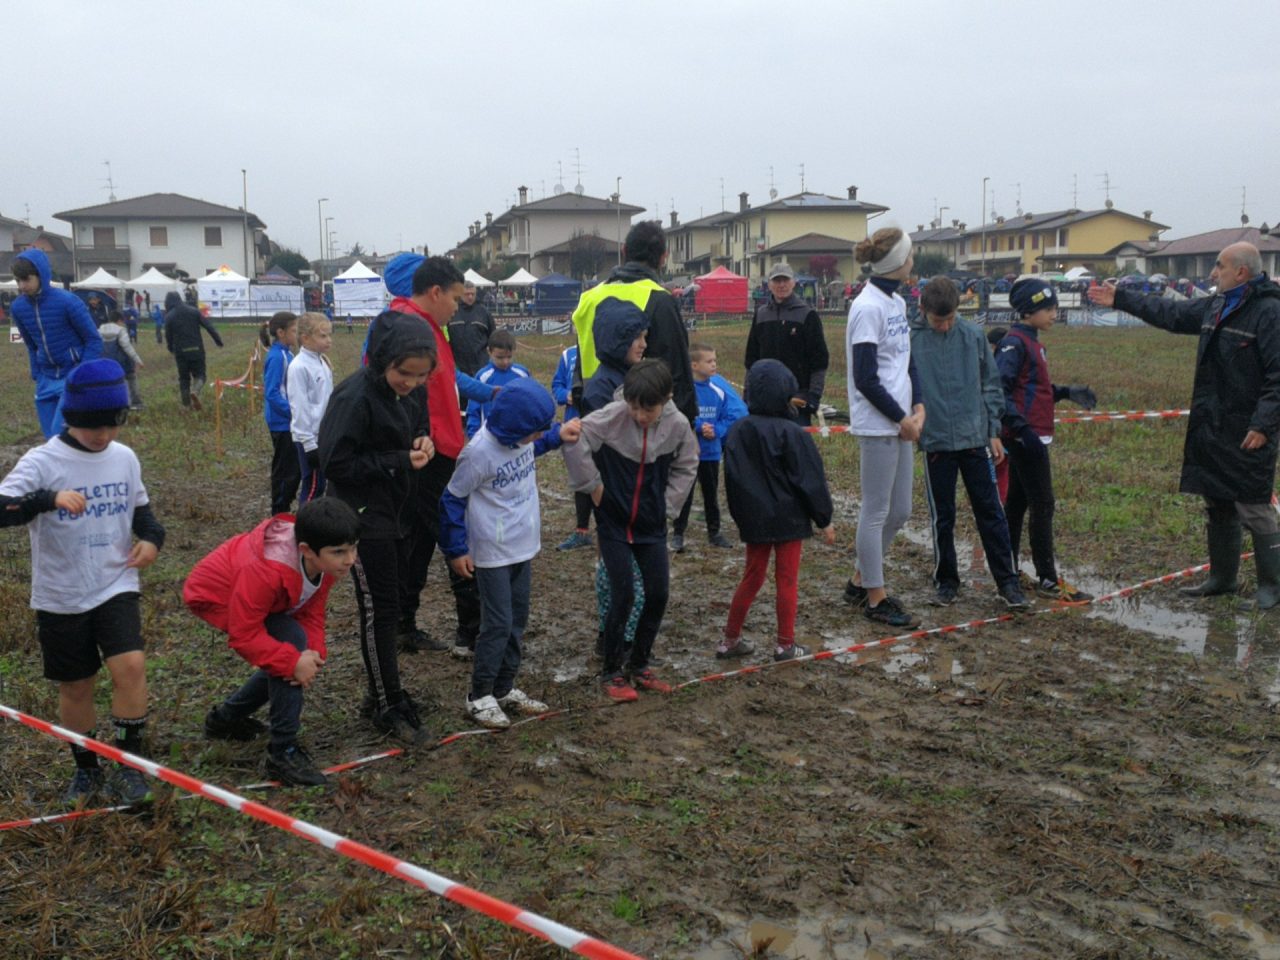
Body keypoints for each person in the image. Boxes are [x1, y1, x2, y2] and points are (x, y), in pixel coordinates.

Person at [0, 359, 164, 806]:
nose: (103, 435)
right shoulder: (43, 461)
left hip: (115, 584)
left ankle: (130, 765)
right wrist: (47, 499)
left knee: (129, 667)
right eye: (93, 425)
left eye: (113, 424)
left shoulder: (124, 458)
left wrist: (150, 542)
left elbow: (146, 518)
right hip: (61, 594)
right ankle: (87, 769)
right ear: (71, 416)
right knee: (76, 685)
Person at [1089, 242, 1280, 607]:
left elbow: (1278, 376)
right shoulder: (1216, 305)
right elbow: (1172, 314)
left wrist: (1264, 425)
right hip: (1213, 425)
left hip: (1249, 429)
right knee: (1218, 501)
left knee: (1254, 507)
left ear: (1241, 272)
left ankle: (1272, 587)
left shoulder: (1270, 313)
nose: (1212, 273)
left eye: (1219, 266)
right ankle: (1222, 578)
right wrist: (1122, 299)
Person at [365, 254, 491, 658]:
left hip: (435, 446)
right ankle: (472, 632)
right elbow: (391, 391)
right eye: (455, 298)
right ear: (434, 292)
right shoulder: (407, 327)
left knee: (417, 539)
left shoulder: (424, 325)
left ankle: (405, 623)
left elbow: (447, 380)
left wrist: (488, 394)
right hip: (428, 452)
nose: (459, 306)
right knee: (454, 533)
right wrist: (417, 442)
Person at [319, 313, 436, 744]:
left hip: (398, 509)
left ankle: (383, 694)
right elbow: (335, 463)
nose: (412, 383)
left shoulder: (412, 393)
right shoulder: (354, 398)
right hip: (362, 517)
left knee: (389, 605)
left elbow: (416, 427)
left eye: (421, 376)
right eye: (404, 374)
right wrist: (398, 460)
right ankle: (386, 703)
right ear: (383, 360)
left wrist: (423, 440)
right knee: (379, 610)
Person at [185, 498, 359, 785]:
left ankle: (225, 720)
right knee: (289, 646)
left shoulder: (325, 563)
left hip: (262, 596)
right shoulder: (263, 571)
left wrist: (313, 651)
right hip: (216, 595)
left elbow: (310, 609)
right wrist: (293, 661)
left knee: (295, 649)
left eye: (353, 547)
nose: (350, 559)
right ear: (306, 550)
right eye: (340, 551)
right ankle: (282, 752)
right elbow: (244, 635)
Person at [440, 378, 580, 728]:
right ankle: (479, 694)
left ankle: (503, 688)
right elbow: (451, 500)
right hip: (492, 552)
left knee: (517, 620)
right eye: (535, 431)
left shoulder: (519, 438)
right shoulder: (479, 453)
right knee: (498, 623)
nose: (536, 436)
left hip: (522, 544)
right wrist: (456, 549)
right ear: (514, 427)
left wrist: (556, 436)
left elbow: (532, 449)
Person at [563, 359, 698, 701]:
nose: (640, 416)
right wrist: (592, 486)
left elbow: (687, 464)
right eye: (634, 407)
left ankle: (639, 664)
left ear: (666, 398)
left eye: (648, 409)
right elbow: (575, 439)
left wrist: (667, 506)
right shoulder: (611, 415)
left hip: (652, 526)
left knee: (658, 594)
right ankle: (611, 671)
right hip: (613, 523)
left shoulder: (679, 425)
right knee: (623, 594)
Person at [910, 279, 1030, 610]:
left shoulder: (974, 336)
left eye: (950, 319)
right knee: (943, 516)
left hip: (975, 439)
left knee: (991, 511)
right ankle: (947, 580)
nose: (945, 326)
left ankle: (1008, 582)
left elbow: (991, 385)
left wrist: (992, 429)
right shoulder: (911, 338)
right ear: (923, 311)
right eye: (938, 321)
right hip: (935, 441)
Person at [718, 359, 835, 661]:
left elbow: (732, 479)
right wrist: (825, 519)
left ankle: (730, 640)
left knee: (752, 576)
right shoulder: (793, 433)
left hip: (754, 519)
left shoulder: (736, 431)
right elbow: (810, 479)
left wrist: (741, 516)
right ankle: (785, 645)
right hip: (789, 520)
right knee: (787, 579)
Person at [843, 227, 925, 628]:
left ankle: (860, 578)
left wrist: (919, 406)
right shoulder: (867, 307)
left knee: (901, 511)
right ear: (898, 263)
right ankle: (875, 596)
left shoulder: (897, 303)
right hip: (879, 423)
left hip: (902, 421)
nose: (914, 262)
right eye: (910, 256)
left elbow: (907, 362)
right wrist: (899, 418)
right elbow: (865, 377)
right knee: (876, 510)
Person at [995, 278, 1097, 602]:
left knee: (1018, 504)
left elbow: (1034, 390)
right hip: (1026, 436)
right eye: (1049, 308)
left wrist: (1065, 393)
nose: (1055, 313)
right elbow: (1001, 391)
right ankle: (1048, 579)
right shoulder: (1014, 343)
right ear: (1029, 311)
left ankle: (1008, 569)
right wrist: (1022, 430)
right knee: (1043, 504)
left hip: (1032, 433)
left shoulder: (1033, 342)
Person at [571, 220, 697, 425]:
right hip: (642, 426)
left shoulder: (589, 298)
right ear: (664, 257)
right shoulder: (660, 300)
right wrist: (685, 427)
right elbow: (677, 372)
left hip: (594, 415)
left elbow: (578, 367)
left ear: (624, 250)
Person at [9, 249, 103, 439]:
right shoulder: (18, 307)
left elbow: (93, 339)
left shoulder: (68, 302)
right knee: (50, 439)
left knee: (59, 435)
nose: (22, 286)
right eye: (18, 281)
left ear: (41, 275)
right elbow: (31, 345)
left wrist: (81, 373)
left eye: (26, 279)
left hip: (71, 375)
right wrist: (37, 373)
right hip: (45, 379)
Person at [671, 343, 743, 552]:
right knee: (685, 494)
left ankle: (714, 532)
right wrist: (701, 426)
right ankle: (678, 533)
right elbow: (680, 415)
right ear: (694, 365)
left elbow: (729, 416)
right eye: (709, 361)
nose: (714, 365)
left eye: (715, 361)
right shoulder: (685, 391)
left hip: (711, 454)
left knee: (711, 495)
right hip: (689, 453)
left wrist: (718, 431)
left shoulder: (719, 390)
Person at [744, 262, 830, 426]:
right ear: (769, 284)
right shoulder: (761, 314)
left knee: (795, 449)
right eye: (777, 281)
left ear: (793, 282)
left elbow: (819, 360)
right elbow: (751, 358)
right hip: (764, 398)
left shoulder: (807, 314)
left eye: (785, 280)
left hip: (797, 399)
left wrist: (813, 396)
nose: (781, 285)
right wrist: (748, 393)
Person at [288, 312, 335, 506]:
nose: (328, 340)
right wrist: (309, 444)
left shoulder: (321, 361)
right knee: (314, 486)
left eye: (329, 335)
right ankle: (304, 526)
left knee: (321, 484)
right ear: (305, 338)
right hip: (310, 438)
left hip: (323, 434)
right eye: (322, 336)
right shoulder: (299, 367)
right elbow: (300, 407)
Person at [552, 342, 595, 551]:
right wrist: (565, 395)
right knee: (581, 478)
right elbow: (556, 385)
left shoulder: (604, 351)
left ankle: (609, 529)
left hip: (600, 425)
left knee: (601, 477)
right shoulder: (567, 355)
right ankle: (582, 531)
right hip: (574, 424)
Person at [261, 311, 301, 515]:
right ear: (281, 332)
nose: (297, 334)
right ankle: (279, 510)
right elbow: (272, 392)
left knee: (294, 469)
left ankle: (284, 507)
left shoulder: (288, 353)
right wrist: (294, 412)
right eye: (294, 331)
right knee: (286, 470)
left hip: (288, 422)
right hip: (282, 423)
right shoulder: (277, 357)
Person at [163, 290, 223, 410]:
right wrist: (218, 340)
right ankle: (195, 390)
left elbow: (168, 336)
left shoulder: (169, 316)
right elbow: (208, 326)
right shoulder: (194, 311)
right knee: (200, 374)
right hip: (196, 349)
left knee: (184, 379)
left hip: (180, 352)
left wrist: (170, 348)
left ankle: (186, 405)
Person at [465, 328, 530, 438]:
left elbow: (530, 404)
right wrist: (473, 435)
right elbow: (473, 409)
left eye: (509, 357)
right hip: (489, 437)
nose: (505, 362)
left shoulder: (522, 374)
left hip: (517, 436)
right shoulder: (483, 377)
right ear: (489, 352)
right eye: (500, 357)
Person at [447, 281, 496, 377]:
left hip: (481, 365)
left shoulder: (484, 312)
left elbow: (493, 337)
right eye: (467, 294)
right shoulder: (453, 311)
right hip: (458, 366)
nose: (470, 297)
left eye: (472, 294)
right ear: (461, 294)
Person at [98, 309, 144, 409]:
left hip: (105, 361)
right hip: (122, 362)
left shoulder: (100, 330)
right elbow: (127, 346)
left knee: (110, 383)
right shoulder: (120, 330)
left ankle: (111, 404)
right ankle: (135, 403)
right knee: (131, 378)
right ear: (119, 320)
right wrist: (138, 360)